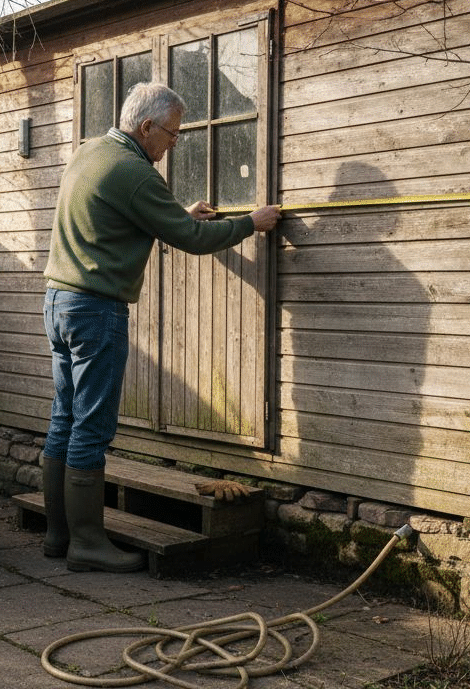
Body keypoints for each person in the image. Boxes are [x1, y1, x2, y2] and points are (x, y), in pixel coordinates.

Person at [40, 82, 280, 573]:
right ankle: (87, 544)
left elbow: (121, 220)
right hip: (96, 311)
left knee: (64, 419)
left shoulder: (91, 153)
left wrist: (175, 214)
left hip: (59, 302)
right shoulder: (134, 171)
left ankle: (58, 535)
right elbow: (189, 237)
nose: (174, 144)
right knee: (92, 425)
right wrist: (250, 224)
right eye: (170, 134)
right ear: (145, 127)